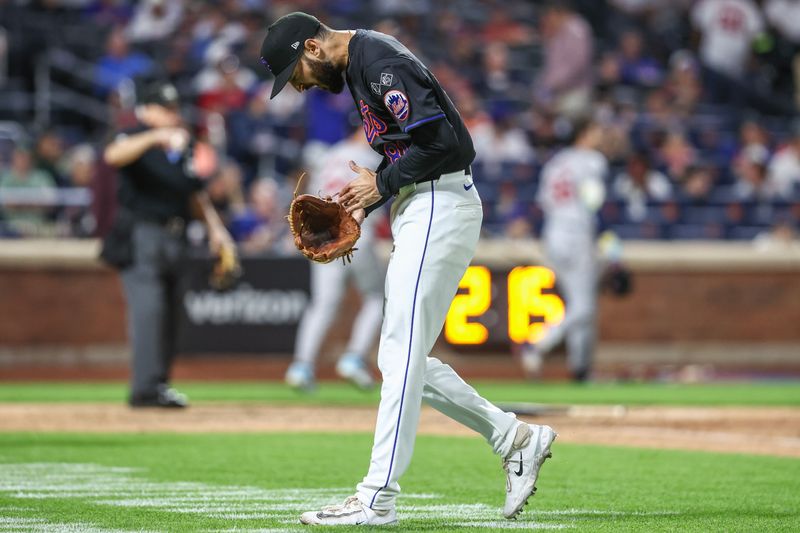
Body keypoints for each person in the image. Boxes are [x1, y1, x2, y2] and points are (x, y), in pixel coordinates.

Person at [260, 12, 556, 526]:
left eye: (296, 74)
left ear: (311, 47)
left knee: (398, 358)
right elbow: (409, 147)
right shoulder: (359, 65)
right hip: (423, 204)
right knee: (402, 357)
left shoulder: (377, 61)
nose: (300, 87)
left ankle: (377, 498)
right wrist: (366, 199)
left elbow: (449, 144)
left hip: (438, 204)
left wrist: (382, 184)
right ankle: (516, 438)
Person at [102, 81, 237, 408]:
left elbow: (194, 193)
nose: (171, 115)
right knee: (150, 311)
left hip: (177, 235)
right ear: (146, 109)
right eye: (164, 108)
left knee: (173, 314)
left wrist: (216, 229)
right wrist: (154, 137)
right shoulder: (132, 135)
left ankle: (159, 385)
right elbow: (112, 155)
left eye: (174, 109)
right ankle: (145, 389)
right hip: (142, 234)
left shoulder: (185, 146)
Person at [286, 127, 385, 391]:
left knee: (323, 304)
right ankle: (354, 358)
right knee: (377, 298)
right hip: (357, 231)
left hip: (325, 236)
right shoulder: (371, 157)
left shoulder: (328, 156)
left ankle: (301, 366)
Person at [522, 119, 608, 382]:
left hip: (553, 235)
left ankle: (580, 370)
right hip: (577, 234)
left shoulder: (555, 163)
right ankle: (538, 343)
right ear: (583, 133)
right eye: (596, 130)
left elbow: (543, 203)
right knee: (583, 307)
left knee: (580, 305)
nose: (600, 135)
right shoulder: (593, 160)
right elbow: (595, 201)